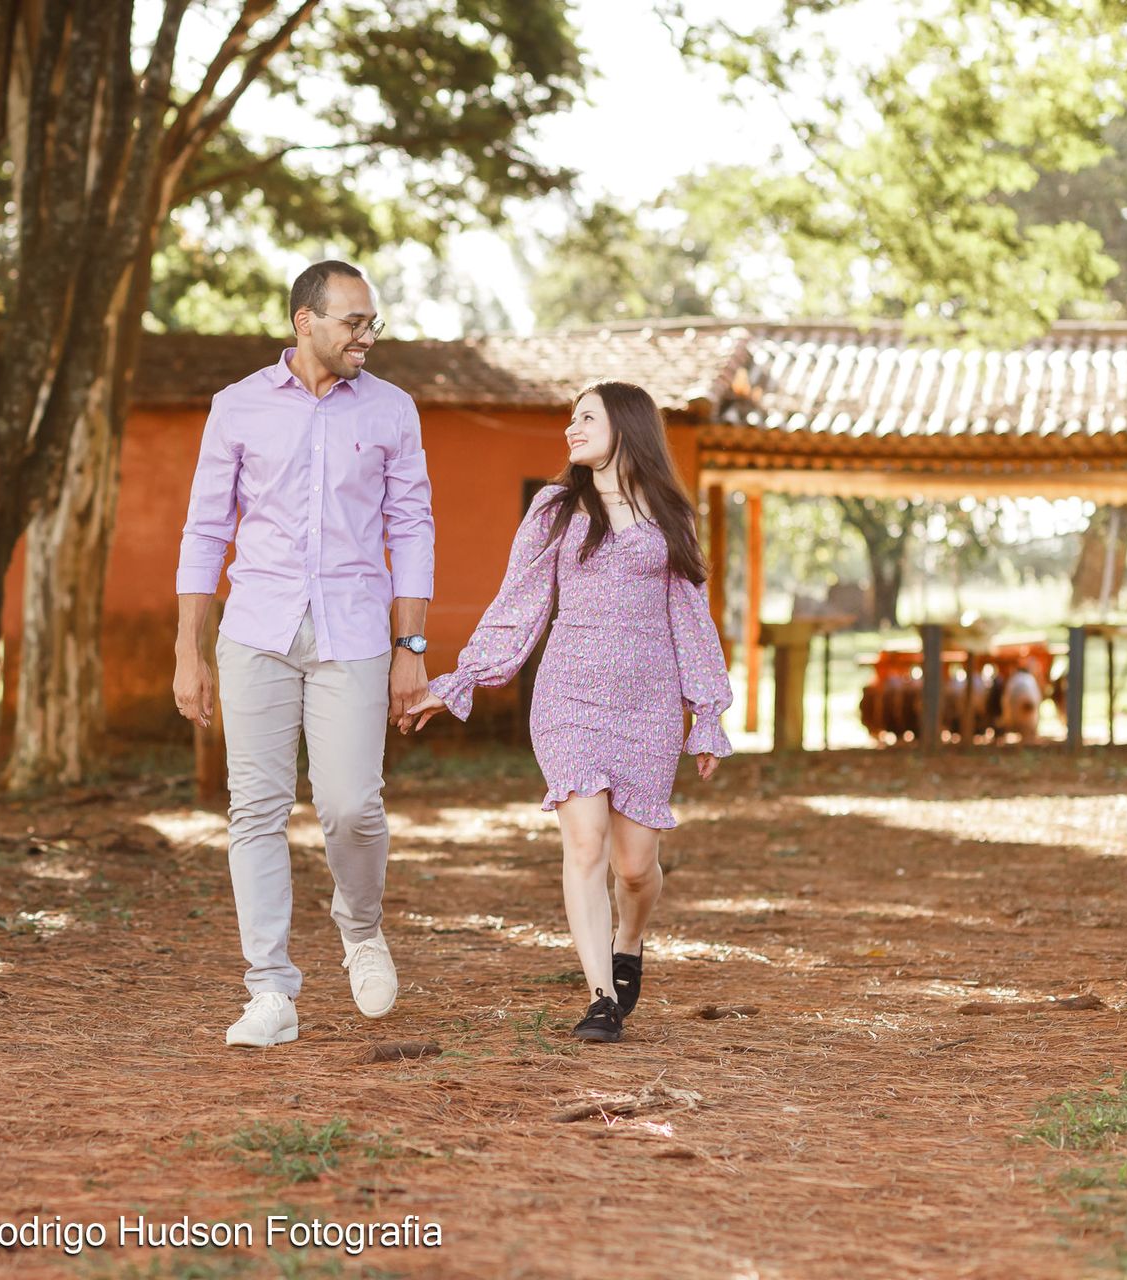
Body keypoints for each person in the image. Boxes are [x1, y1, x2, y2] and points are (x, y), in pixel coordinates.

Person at [403, 379, 731, 1044]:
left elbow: (691, 617)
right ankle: (600, 996)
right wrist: (465, 676)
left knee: (635, 867)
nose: (570, 429)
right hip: (569, 700)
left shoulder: (670, 514)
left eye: (586, 418)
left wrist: (707, 709)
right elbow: (519, 600)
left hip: (647, 705)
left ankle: (629, 939)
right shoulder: (556, 509)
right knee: (585, 841)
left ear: (627, 426)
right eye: (570, 418)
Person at [173, 260, 435, 1048]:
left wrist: (411, 647)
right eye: (353, 322)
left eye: (372, 322)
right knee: (254, 810)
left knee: (352, 805)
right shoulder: (238, 406)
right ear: (305, 323)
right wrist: (190, 649)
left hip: (354, 632)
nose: (367, 336)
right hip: (256, 628)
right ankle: (271, 991)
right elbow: (205, 529)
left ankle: (360, 928)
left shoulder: (393, 410)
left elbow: (412, 528)